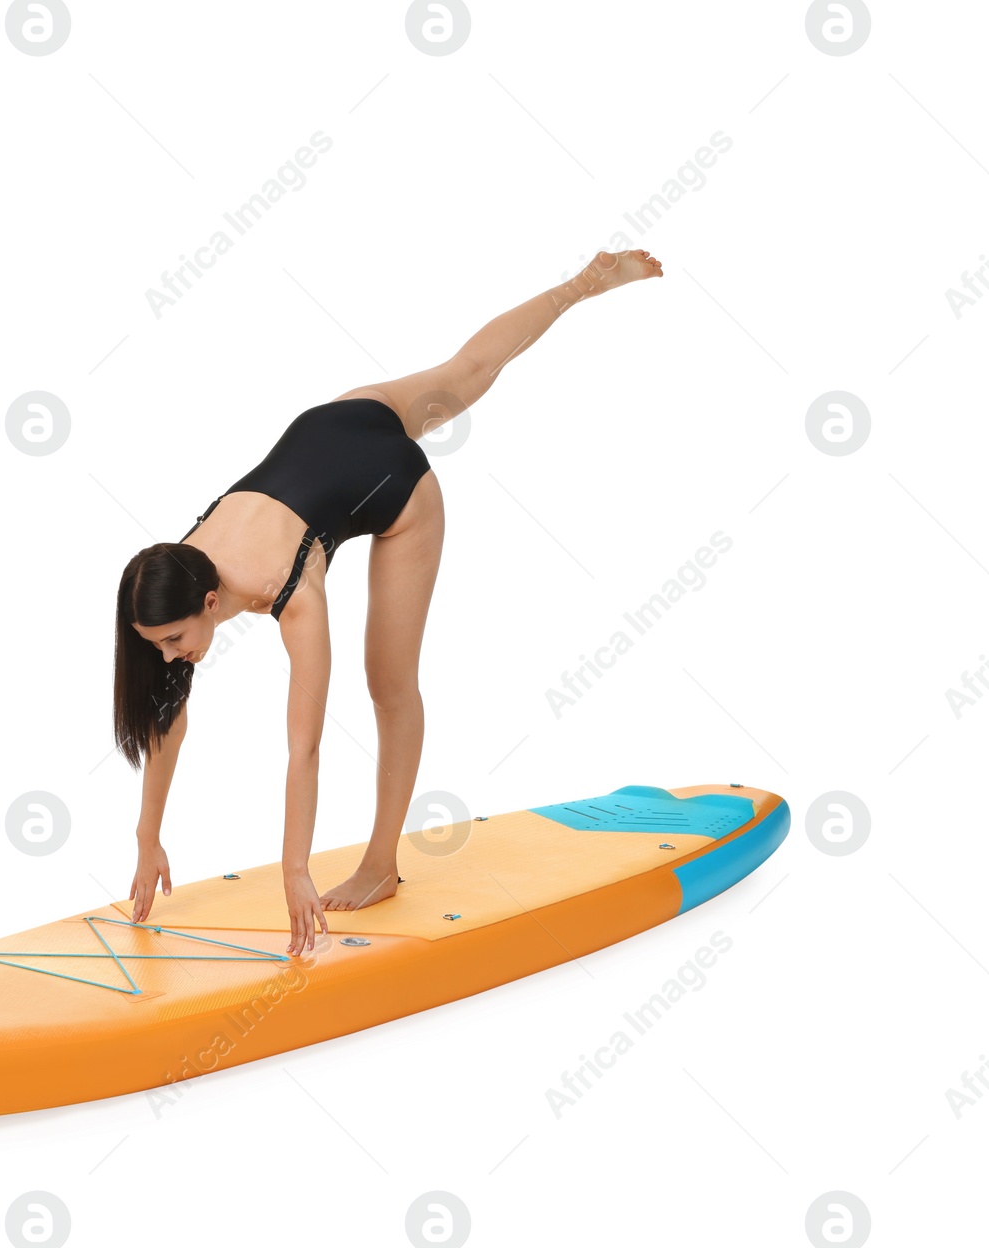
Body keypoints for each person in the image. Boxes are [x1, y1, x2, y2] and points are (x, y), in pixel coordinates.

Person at [113, 249, 664, 955]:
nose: (169, 654)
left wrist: (295, 871)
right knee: (464, 372)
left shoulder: (293, 594)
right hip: (329, 424)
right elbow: (166, 723)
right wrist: (147, 838)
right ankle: (585, 283)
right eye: (159, 644)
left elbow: (304, 749)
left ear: (213, 598)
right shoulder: (168, 579)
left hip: (392, 486)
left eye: (174, 642)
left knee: (388, 682)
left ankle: (381, 865)